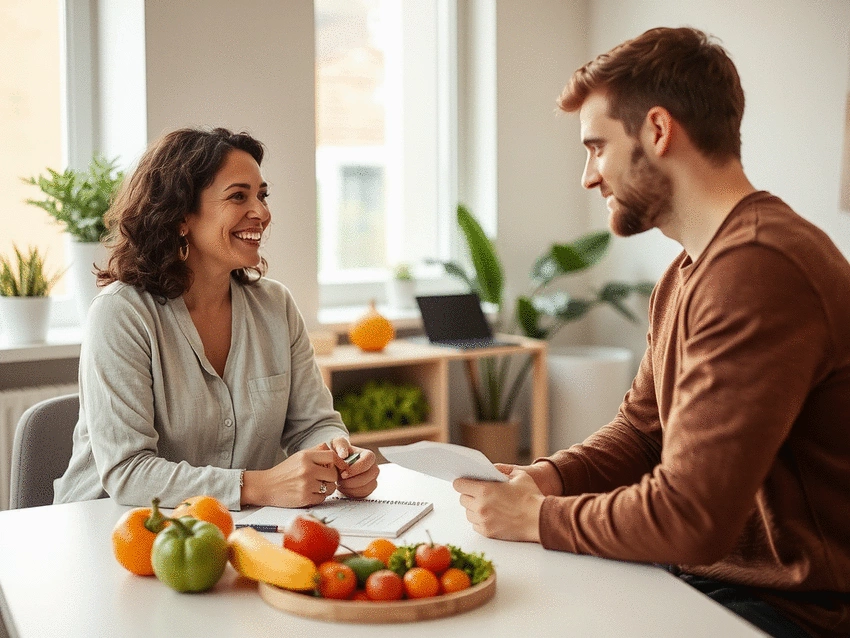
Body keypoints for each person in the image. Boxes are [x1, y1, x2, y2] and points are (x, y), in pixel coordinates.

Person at [453, 27, 850, 638]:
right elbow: (641, 431)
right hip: (709, 582)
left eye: (596, 147)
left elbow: (692, 515)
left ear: (658, 131)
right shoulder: (691, 270)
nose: (589, 176)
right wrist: (546, 477)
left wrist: (539, 518)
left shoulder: (761, 267)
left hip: (793, 612)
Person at [54, 127, 379, 510]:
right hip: (110, 529)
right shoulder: (120, 315)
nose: (262, 212)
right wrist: (255, 486)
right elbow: (129, 471)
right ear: (179, 217)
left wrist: (340, 457)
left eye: (262, 195)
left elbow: (312, 424)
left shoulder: (276, 306)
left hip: (228, 532)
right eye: (238, 196)